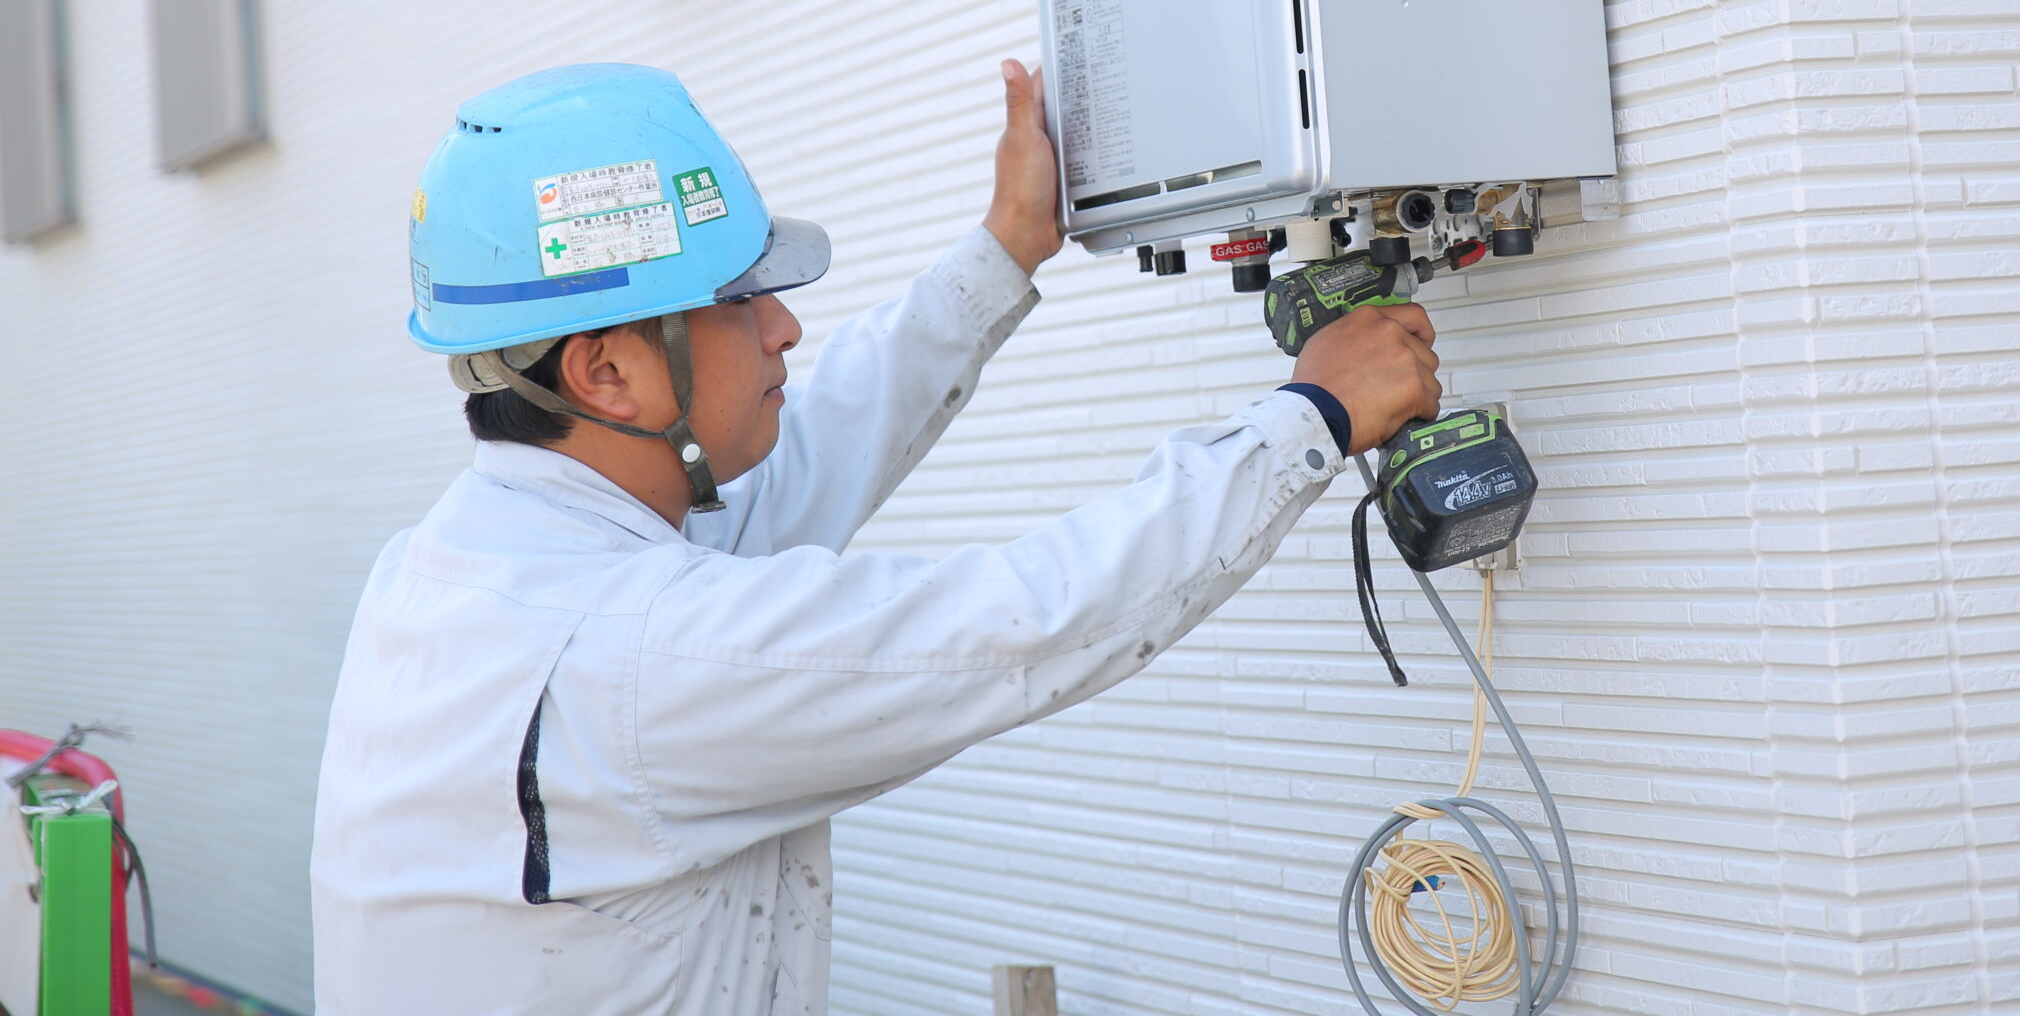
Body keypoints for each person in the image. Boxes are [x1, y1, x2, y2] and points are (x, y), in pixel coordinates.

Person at [310, 61, 1439, 1015]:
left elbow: (812, 448)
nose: (785, 325)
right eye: (739, 299)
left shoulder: (470, 566)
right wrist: (1310, 419)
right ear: (605, 370)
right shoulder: (629, 656)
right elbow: (1022, 625)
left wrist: (1005, 248)